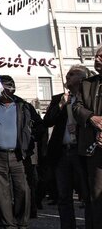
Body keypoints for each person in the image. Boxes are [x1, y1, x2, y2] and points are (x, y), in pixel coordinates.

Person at [0, 75, 42, 229]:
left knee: (23, 190)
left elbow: (40, 127)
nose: (6, 91)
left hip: (19, 156)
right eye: (3, 88)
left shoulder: (23, 106)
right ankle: (8, 224)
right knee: (1, 191)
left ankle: (21, 222)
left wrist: (28, 140)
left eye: (9, 88)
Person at [44, 65, 91, 229]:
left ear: (82, 78)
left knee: (87, 193)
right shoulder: (59, 98)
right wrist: (60, 105)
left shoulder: (88, 96)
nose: (67, 77)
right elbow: (47, 121)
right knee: (64, 195)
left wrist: (78, 128)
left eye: (71, 75)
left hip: (82, 152)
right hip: (62, 153)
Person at [73, 47, 102, 228]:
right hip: (94, 148)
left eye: (101, 56)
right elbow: (77, 108)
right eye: (97, 56)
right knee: (96, 193)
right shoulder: (87, 84)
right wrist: (91, 117)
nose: (97, 58)